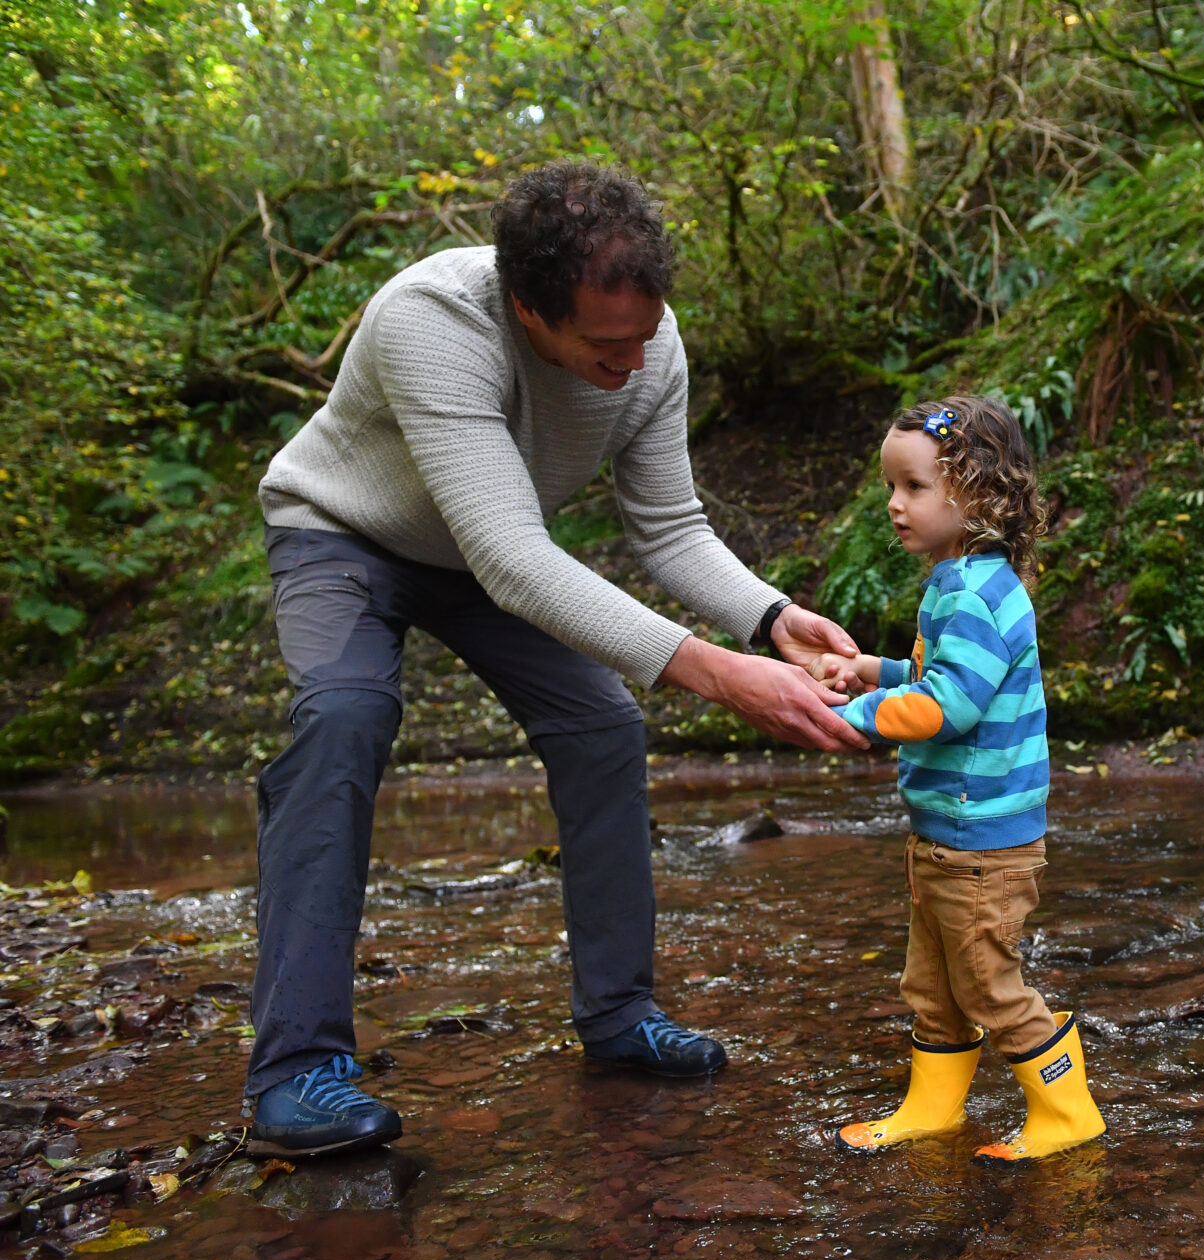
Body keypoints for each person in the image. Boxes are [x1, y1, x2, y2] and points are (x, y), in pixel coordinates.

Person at [242, 160, 871, 1159]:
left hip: (484, 555)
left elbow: (667, 524)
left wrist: (771, 618)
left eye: (645, 335)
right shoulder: (431, 319)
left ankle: (619, 1014)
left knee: (603, 723)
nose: (634, 361)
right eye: (606, 346)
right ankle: (294, 1071)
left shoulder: (650, 342)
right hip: (344, 535)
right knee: (344, 715)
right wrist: (715, 671)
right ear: (528, 309)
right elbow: (513, 557)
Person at [808, 396, 1106, 1163]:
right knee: (934, 985)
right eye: (890, 486)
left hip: (981, 842)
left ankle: (1067, 1113)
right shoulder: (960, 581)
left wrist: (857, 714)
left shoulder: (973, 593)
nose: (894, 504)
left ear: (979, 496)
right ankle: (932, 1108)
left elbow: (949, 705)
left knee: (986, 984)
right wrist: (869, 671)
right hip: (947, 834)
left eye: (913, 486)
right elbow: (935, 674)